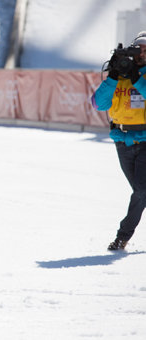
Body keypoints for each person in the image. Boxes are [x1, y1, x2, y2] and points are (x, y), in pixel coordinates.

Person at [92, 31, 146, 251]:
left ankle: (122, 237)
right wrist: (114, 75)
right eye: (138, 48)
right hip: (122, 141)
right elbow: (99, 104)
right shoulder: (119, 74)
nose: (142, 53)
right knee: (141, 191)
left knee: (142, 191)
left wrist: (137, 78)